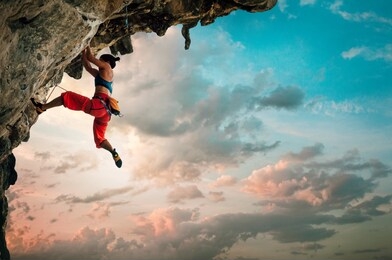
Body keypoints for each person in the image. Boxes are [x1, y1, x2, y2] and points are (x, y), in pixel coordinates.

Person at [31, 46, 122, 168]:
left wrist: (88, 44)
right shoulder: (104, 75)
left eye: (101, 60)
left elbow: (90, 58)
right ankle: (113, 152)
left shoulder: (107, 67)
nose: (99, 62)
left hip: (99, 106)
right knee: (100, 139)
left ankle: (42, 107)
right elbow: (87, 66)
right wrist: (83, 52)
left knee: (67, 97)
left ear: (106, 61)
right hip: (106, 114)